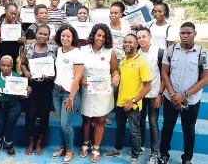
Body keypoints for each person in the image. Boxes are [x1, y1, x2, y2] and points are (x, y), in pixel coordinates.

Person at [159, 22, 208, 164]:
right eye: (182, 33)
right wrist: (174, 95)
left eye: (189, 33)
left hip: (191, 100)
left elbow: (205, 79)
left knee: (189, 130)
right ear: (179, 34)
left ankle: (187, 158)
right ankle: (164, 155)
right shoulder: (171, 50)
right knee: (167, 127)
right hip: (171, 98)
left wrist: (184, 96)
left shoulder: (202, 53)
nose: (185, 36)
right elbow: (165, 73)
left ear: (195, 34)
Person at [102, 34, 152, 164]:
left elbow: (147, 87)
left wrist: (133, 101)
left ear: (137, 45)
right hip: (120, 102)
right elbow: (118, 73)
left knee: (135, 132)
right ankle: (117, 150)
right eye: (125, 42)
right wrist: (117, 74)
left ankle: (134, 157)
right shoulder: (123, 60)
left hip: (133, 105)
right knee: (119, 128)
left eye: (130, 42)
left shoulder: (142, 62)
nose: (127, 44)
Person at [79, 24, 119, 163]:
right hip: (87, 90)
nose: (101, 38)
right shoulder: (83, 50)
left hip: (103, 92)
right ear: (93, 35)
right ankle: (85, 144)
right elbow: (76, 68)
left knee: (101, 120)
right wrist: (80, 78)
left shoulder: (110, 52)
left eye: (104, 36)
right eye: (98, 35)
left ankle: (96, 148)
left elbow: (114, 70)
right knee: (87, 119)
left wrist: (115, 76)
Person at [21, 24, 56, 156]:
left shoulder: (54, 49)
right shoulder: (28, 47)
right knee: (30, 114)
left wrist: (50, 75)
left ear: (48, 36)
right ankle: (30, 141)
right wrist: (26, 73)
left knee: (44, 114)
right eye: (40, 33)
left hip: (46, 86)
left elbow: (56, 68)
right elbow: (23, 63)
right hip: (32, 86)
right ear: (36, 34)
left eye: (45, 34)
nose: (42, 36)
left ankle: (40, 142)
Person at [50, 25, 83, 164]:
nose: (65, 38)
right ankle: (62, 148)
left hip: (69, 94)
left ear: (72, 38)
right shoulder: (58, 50)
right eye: (63, 36)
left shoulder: (77, 53)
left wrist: (71, 97)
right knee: (60, 123)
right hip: (56, 91)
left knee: (66, 124)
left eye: (68, 36)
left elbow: (77, 77)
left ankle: (70, 150)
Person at [0, 55, 32, 156]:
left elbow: (22, 98)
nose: (5, 68)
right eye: (3, 65)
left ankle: (9, 144)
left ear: (12, 66)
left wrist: (27, 93)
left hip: (13, 106)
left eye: (8, 66)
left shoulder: (17, 77)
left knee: (9, 126)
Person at [137, 27, 164, 164]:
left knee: (153, 123)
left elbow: (165, 75)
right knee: (140, 121)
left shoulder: (159, 53)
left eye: (144, 37)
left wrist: (160, 95)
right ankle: (141, 146)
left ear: (150, 37)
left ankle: (154, 153)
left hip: (154, 94)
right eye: (139, 37)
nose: (141, 39)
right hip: (140, 95)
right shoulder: (136, 54)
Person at [0, 3, 25, 70]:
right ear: (5, 11)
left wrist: (22, 40)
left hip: (14, 56)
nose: (13, 16)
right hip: (1, 57)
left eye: (15, 14)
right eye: (11, 13)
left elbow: (23, 41)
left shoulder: (18, 25)